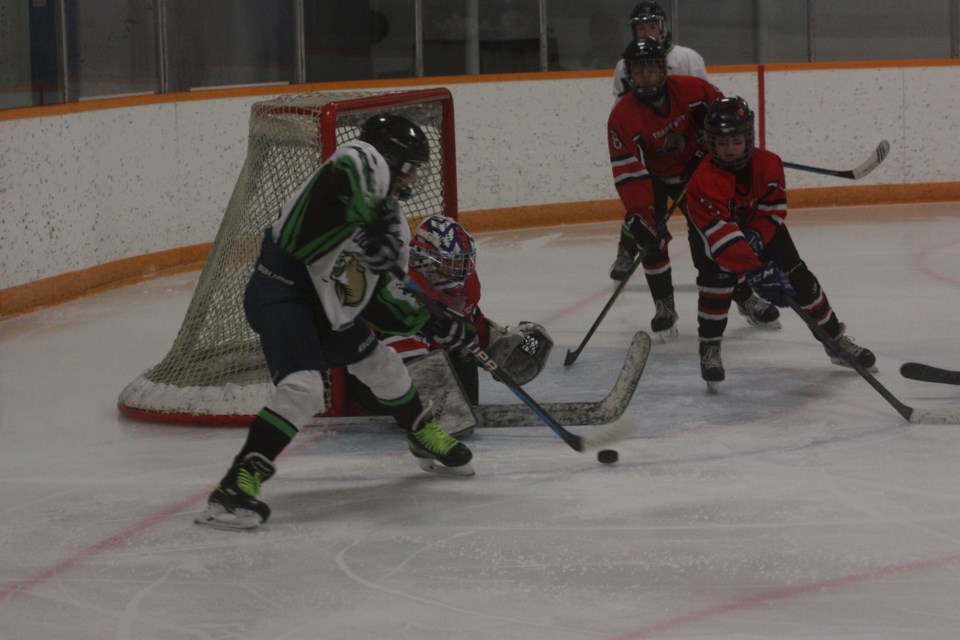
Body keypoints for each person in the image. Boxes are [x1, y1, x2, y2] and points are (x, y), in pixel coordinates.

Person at [195, 114, 477, 531]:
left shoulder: (396, 228)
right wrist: (374, 222)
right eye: (412, 165)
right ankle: (234, 489)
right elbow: (351, 175)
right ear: (395, 160)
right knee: (303, 388)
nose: (414, 176)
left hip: (327, 305)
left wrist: (430, 323)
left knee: (381, 363)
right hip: (281, 291)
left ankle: (420, 432)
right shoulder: (360, 160)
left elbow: (369, 300)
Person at [684, 96, 877, 392]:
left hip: (763, 231)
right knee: (716, 285)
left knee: (803, 282)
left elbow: (773, 211)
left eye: (736, 140)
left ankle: (834, 340)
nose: (730, 149)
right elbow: (720, 236)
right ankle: (709, 346)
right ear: (710, 143)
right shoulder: (702, 181)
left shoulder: (769, 163)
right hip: (714, 237)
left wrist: (758, 238)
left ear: (749, 138)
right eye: (722, 143)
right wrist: (755, 267)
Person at [607, 37, 780, 342]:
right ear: (629, 74)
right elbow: (629, 171)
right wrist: (640, 214)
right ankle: (664, 305)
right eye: (638, 69)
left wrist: (709, 150)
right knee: (651, 238)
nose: (646, 75)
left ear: (664, 68)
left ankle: (744, 297)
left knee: (713, 236)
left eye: (652, 67)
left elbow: (726, 126)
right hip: (653, 178)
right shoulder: (622, 116)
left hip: (697, 173)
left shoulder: (694, 91)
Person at [346, 214, 552, 414]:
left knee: (463, 353)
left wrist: (490, 342)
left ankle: (454, 412)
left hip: (429, 359)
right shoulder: (402, 292)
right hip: (374, 382)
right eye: (451, 264)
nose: (461, 272)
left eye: (464, 262)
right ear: (424, 260)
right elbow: (404, 365)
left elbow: (469, 320)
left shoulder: (464, 285)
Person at [611, 1, 708, 101]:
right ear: (634, 32)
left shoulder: (688, 58)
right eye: (641, 28)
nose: (647, 33)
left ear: (662, 29)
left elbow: (703, 94)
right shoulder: (624, 65)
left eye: (652, 27)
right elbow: (622, 105)